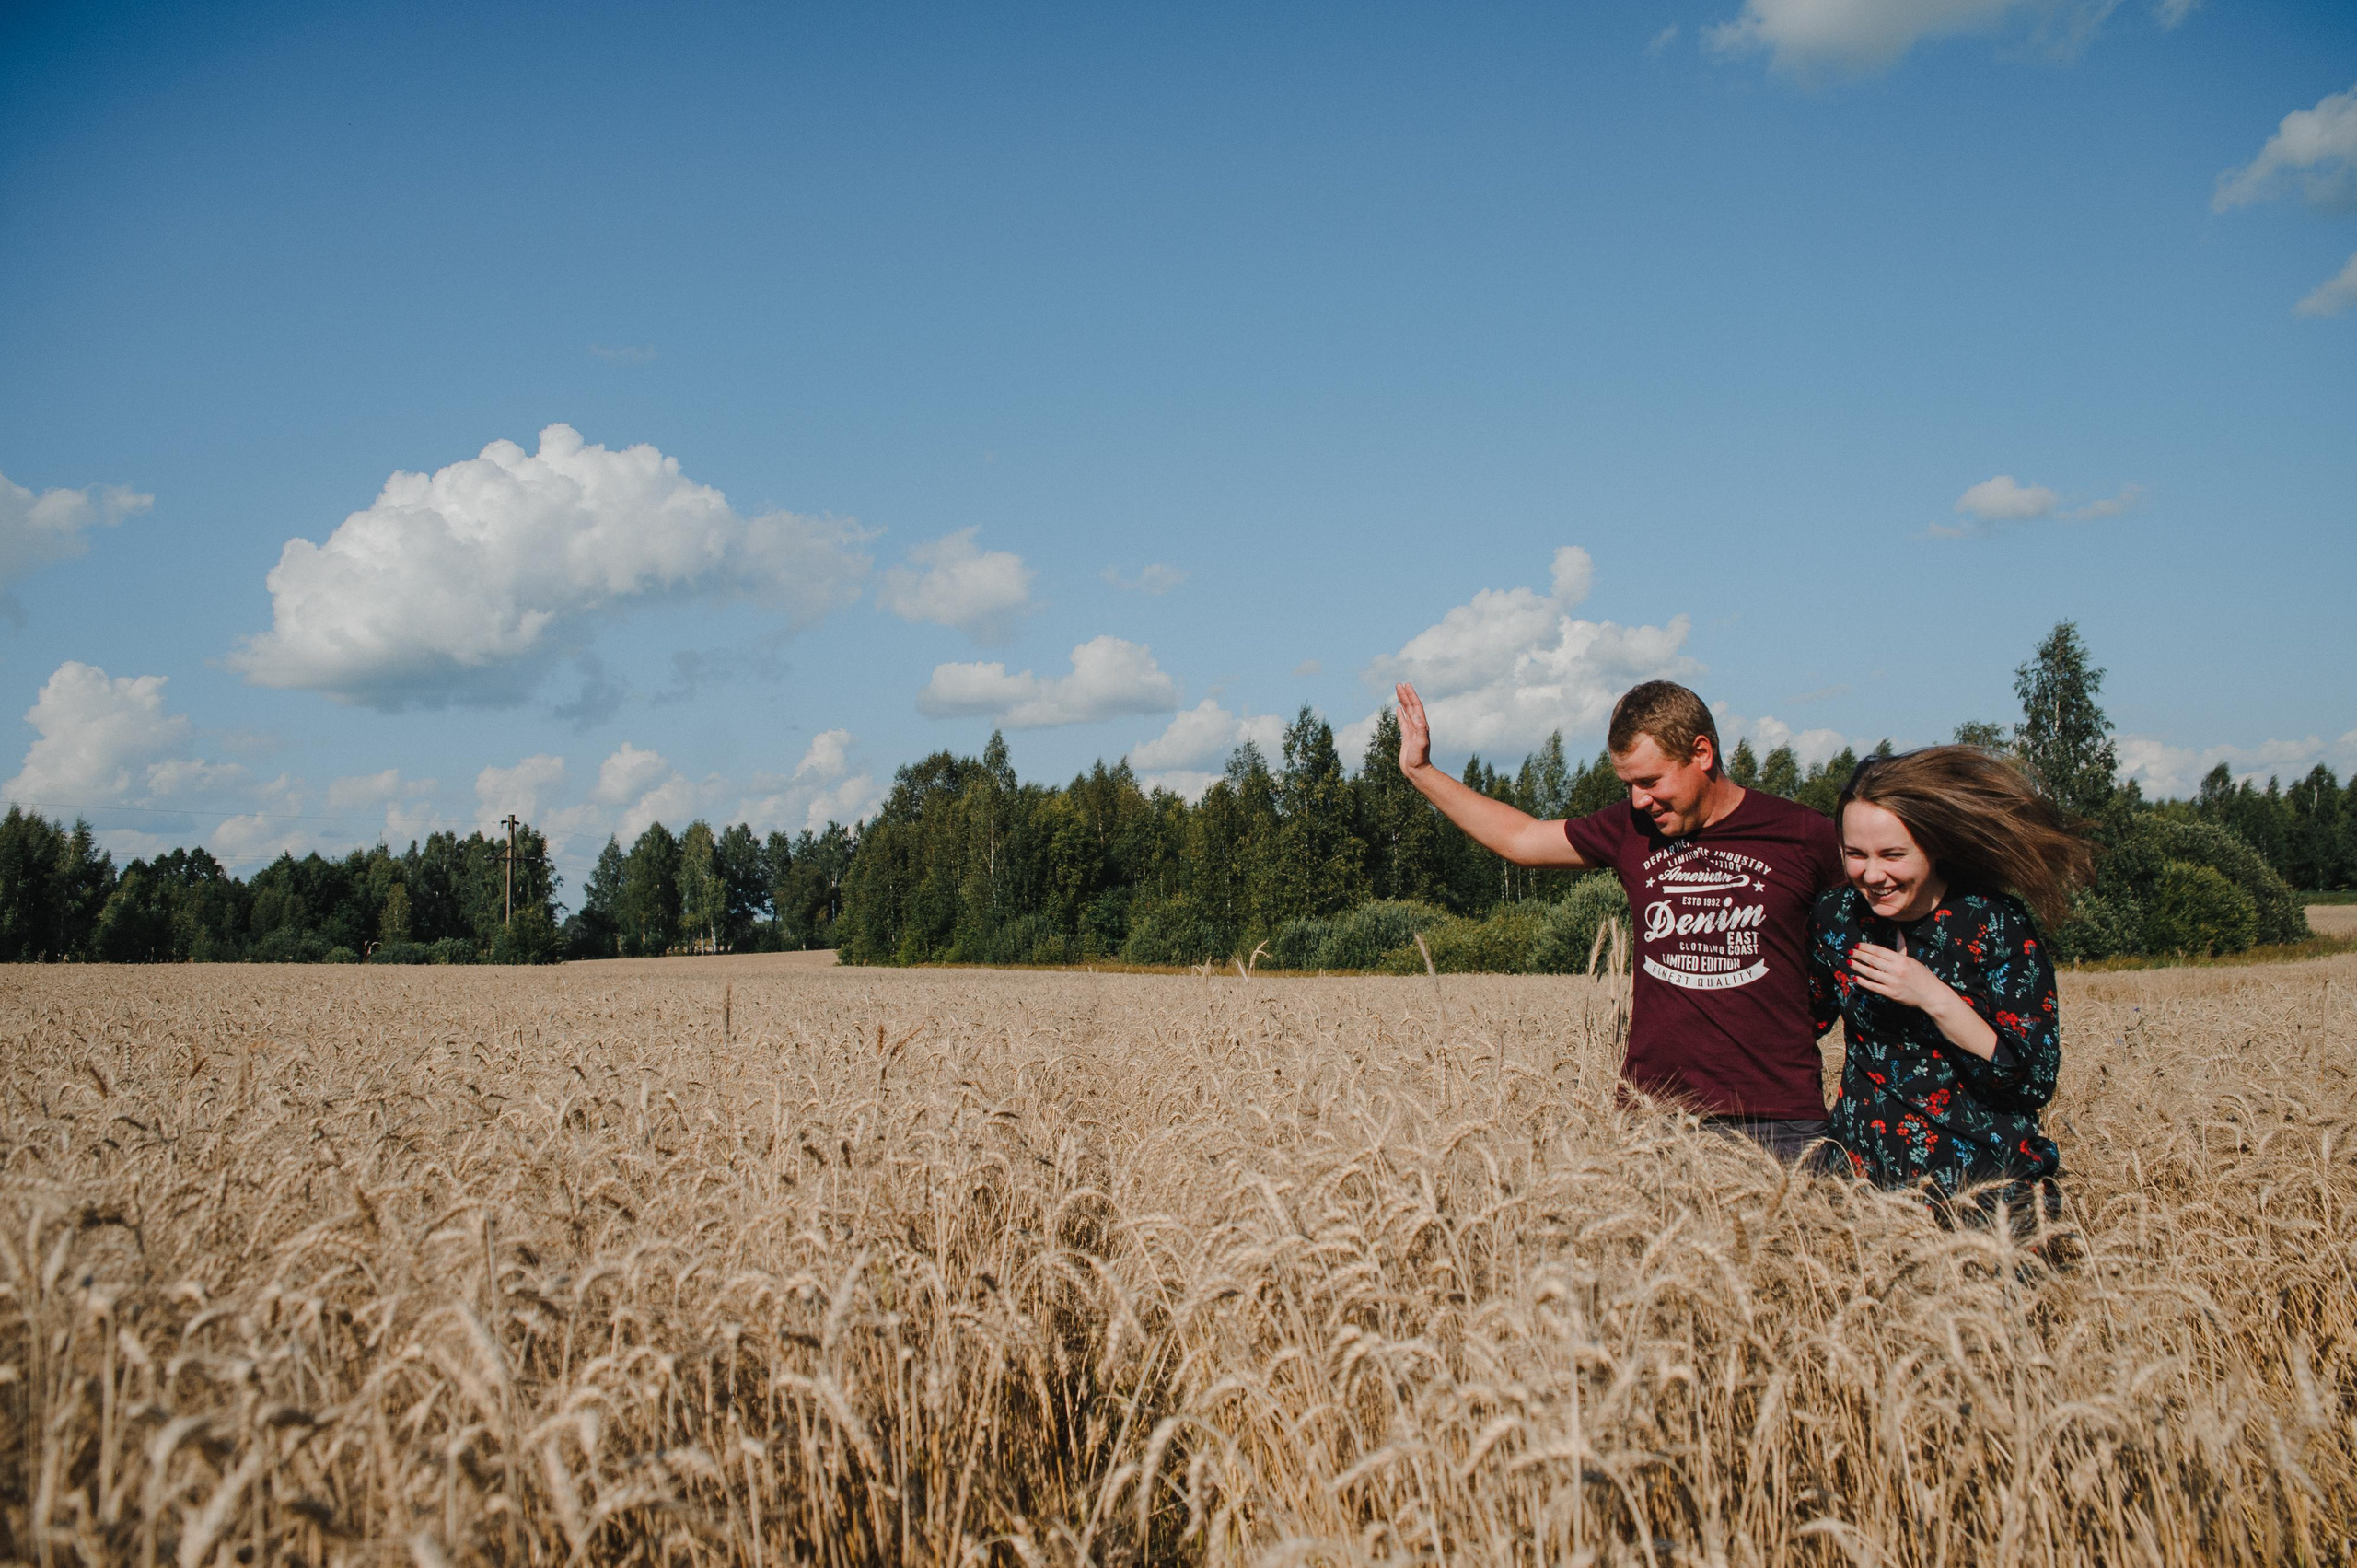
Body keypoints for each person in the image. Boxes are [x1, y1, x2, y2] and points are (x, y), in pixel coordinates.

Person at [1395, 678, 1845, 1161]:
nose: (1638, 801)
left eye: (1650, 781)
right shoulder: (1631, 830)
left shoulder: (1805, 834)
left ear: (1702, 753)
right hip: (1656, 1119)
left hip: (1781, 1121)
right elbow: (1520, 839)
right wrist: (1420, 771)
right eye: (1627, 785)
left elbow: (1863, 951)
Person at [1808, 746, 2091, 1224]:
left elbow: (2033, 1078)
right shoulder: (1838, 917)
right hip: (1864, 1189)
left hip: (1988, 1189)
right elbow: (1802, 1017)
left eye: (1893, 855)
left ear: (1934, 845)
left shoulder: (1993, 924)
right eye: (1855, 854)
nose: (1872, 874)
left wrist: (1934, 997)